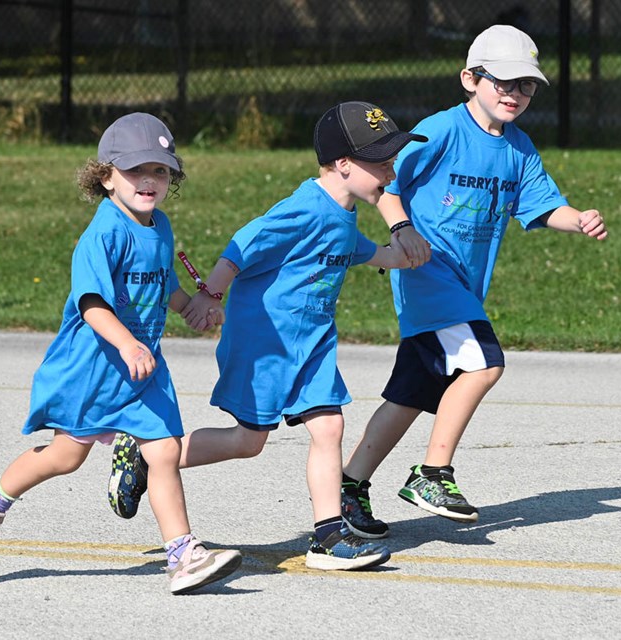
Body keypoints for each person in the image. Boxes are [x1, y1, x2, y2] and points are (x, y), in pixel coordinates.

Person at [105, 101, 430, 570]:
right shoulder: (304, 209)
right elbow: (244, 243)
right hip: (266, 345)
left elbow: (373, 255)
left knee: (330, 426)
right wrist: (211, 294)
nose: (390, 170)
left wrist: (409, 244)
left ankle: (328, 537)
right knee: (247, 441)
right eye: (380, 161)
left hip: (313, 346)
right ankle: (144, 456)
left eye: (391, 159)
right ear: (342, 164)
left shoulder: (343, 216)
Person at [338, 25, 610, 539]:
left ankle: (348, 488)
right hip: (427, 273)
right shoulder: (442, 130)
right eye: (501, 81)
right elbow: (386, 180)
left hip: (463, 285)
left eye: (525, 85)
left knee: (411, 394)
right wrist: (401, 229)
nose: (513, 93)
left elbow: (542, 205)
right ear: (470, 79)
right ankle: (432, 474)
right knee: (486, 364)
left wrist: (578, 219)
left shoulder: (520, 149)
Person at [0, 112, 242, 595]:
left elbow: (161, 284)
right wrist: (127, 342)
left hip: (142, 369)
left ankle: (182, 555)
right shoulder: (103, 234)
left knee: (165, 452)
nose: (148, 181)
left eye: (160, 170)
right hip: (97, 365)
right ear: (106, 178)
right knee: (66, 456)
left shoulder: (160, 226)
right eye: (135, 171)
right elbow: (92, 302)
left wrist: (190, 306)